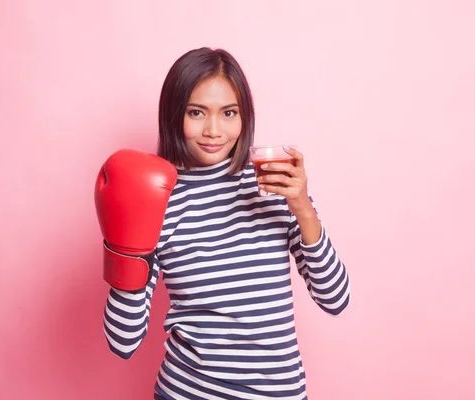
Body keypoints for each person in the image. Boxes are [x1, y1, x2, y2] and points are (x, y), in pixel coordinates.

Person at [97, 47, 351, 400]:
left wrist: (302, 206)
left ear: (244, 116)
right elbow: (122, 341)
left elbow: (335, 298)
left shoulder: (273, 181)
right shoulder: (157, 198)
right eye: (196, 112)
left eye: (228, 113)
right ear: (173, 115)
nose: (214, 130)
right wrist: (123, 243)